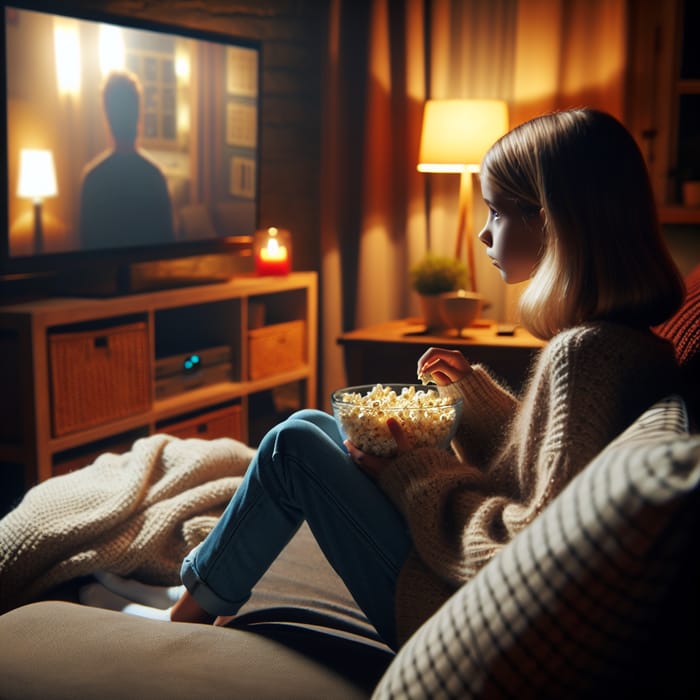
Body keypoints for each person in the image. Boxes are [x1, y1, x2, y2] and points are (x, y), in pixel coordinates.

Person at [166, 108, 685, 650]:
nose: (484, 232)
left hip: (460, 622)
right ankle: (205, 594)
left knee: (291, 446)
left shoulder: (585, 355)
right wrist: (473, 399)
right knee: (313, 423)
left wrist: (414, 469)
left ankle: (184, 618)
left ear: (555, 221)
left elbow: (527, 549)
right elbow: (540, 472)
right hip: (469, 604)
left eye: (498, 212)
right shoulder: (630, 346)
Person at [79, 70, 175, 250]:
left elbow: (87, 248)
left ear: (107, 117)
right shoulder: (154, 178)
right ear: (139, 116)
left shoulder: (93, 179)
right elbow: (168, 247)